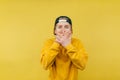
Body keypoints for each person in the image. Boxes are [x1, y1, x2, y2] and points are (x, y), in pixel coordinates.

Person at [40, 16, 88, 80]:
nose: (63, 30)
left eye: (66, 27)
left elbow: (82, 65)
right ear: (55, 31)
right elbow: (45, 65)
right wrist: (56, 43)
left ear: (71, 31)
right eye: (59, 27)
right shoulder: (49, 43)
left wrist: (68, 45)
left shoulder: (77, 42)